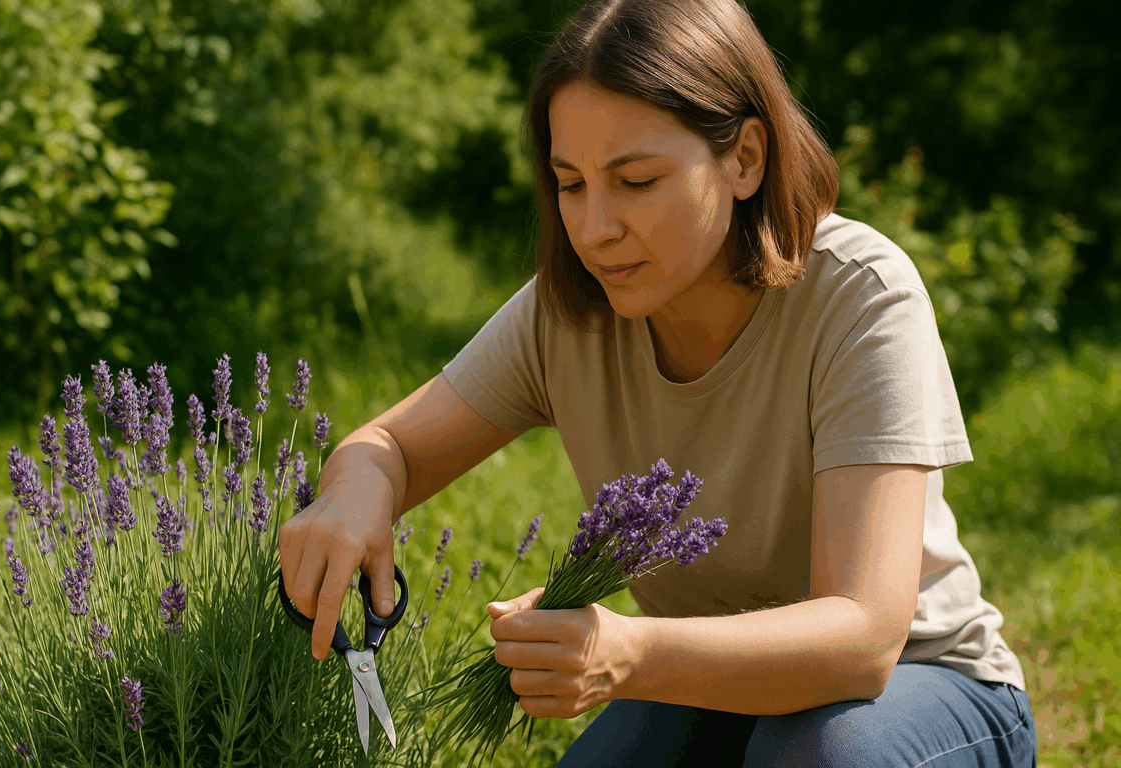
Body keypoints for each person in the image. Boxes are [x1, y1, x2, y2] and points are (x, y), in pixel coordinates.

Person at [278, 0, 1039, 764]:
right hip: (709, 691)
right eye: (570, 184)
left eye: (635, 181)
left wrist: (629, 653)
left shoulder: (861, 296)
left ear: (744, 158)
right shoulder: (567, 313)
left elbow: (863, 639)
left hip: (924, 688)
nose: (595, 228)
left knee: (818, 757)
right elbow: (392, 447)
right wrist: (353, 492)